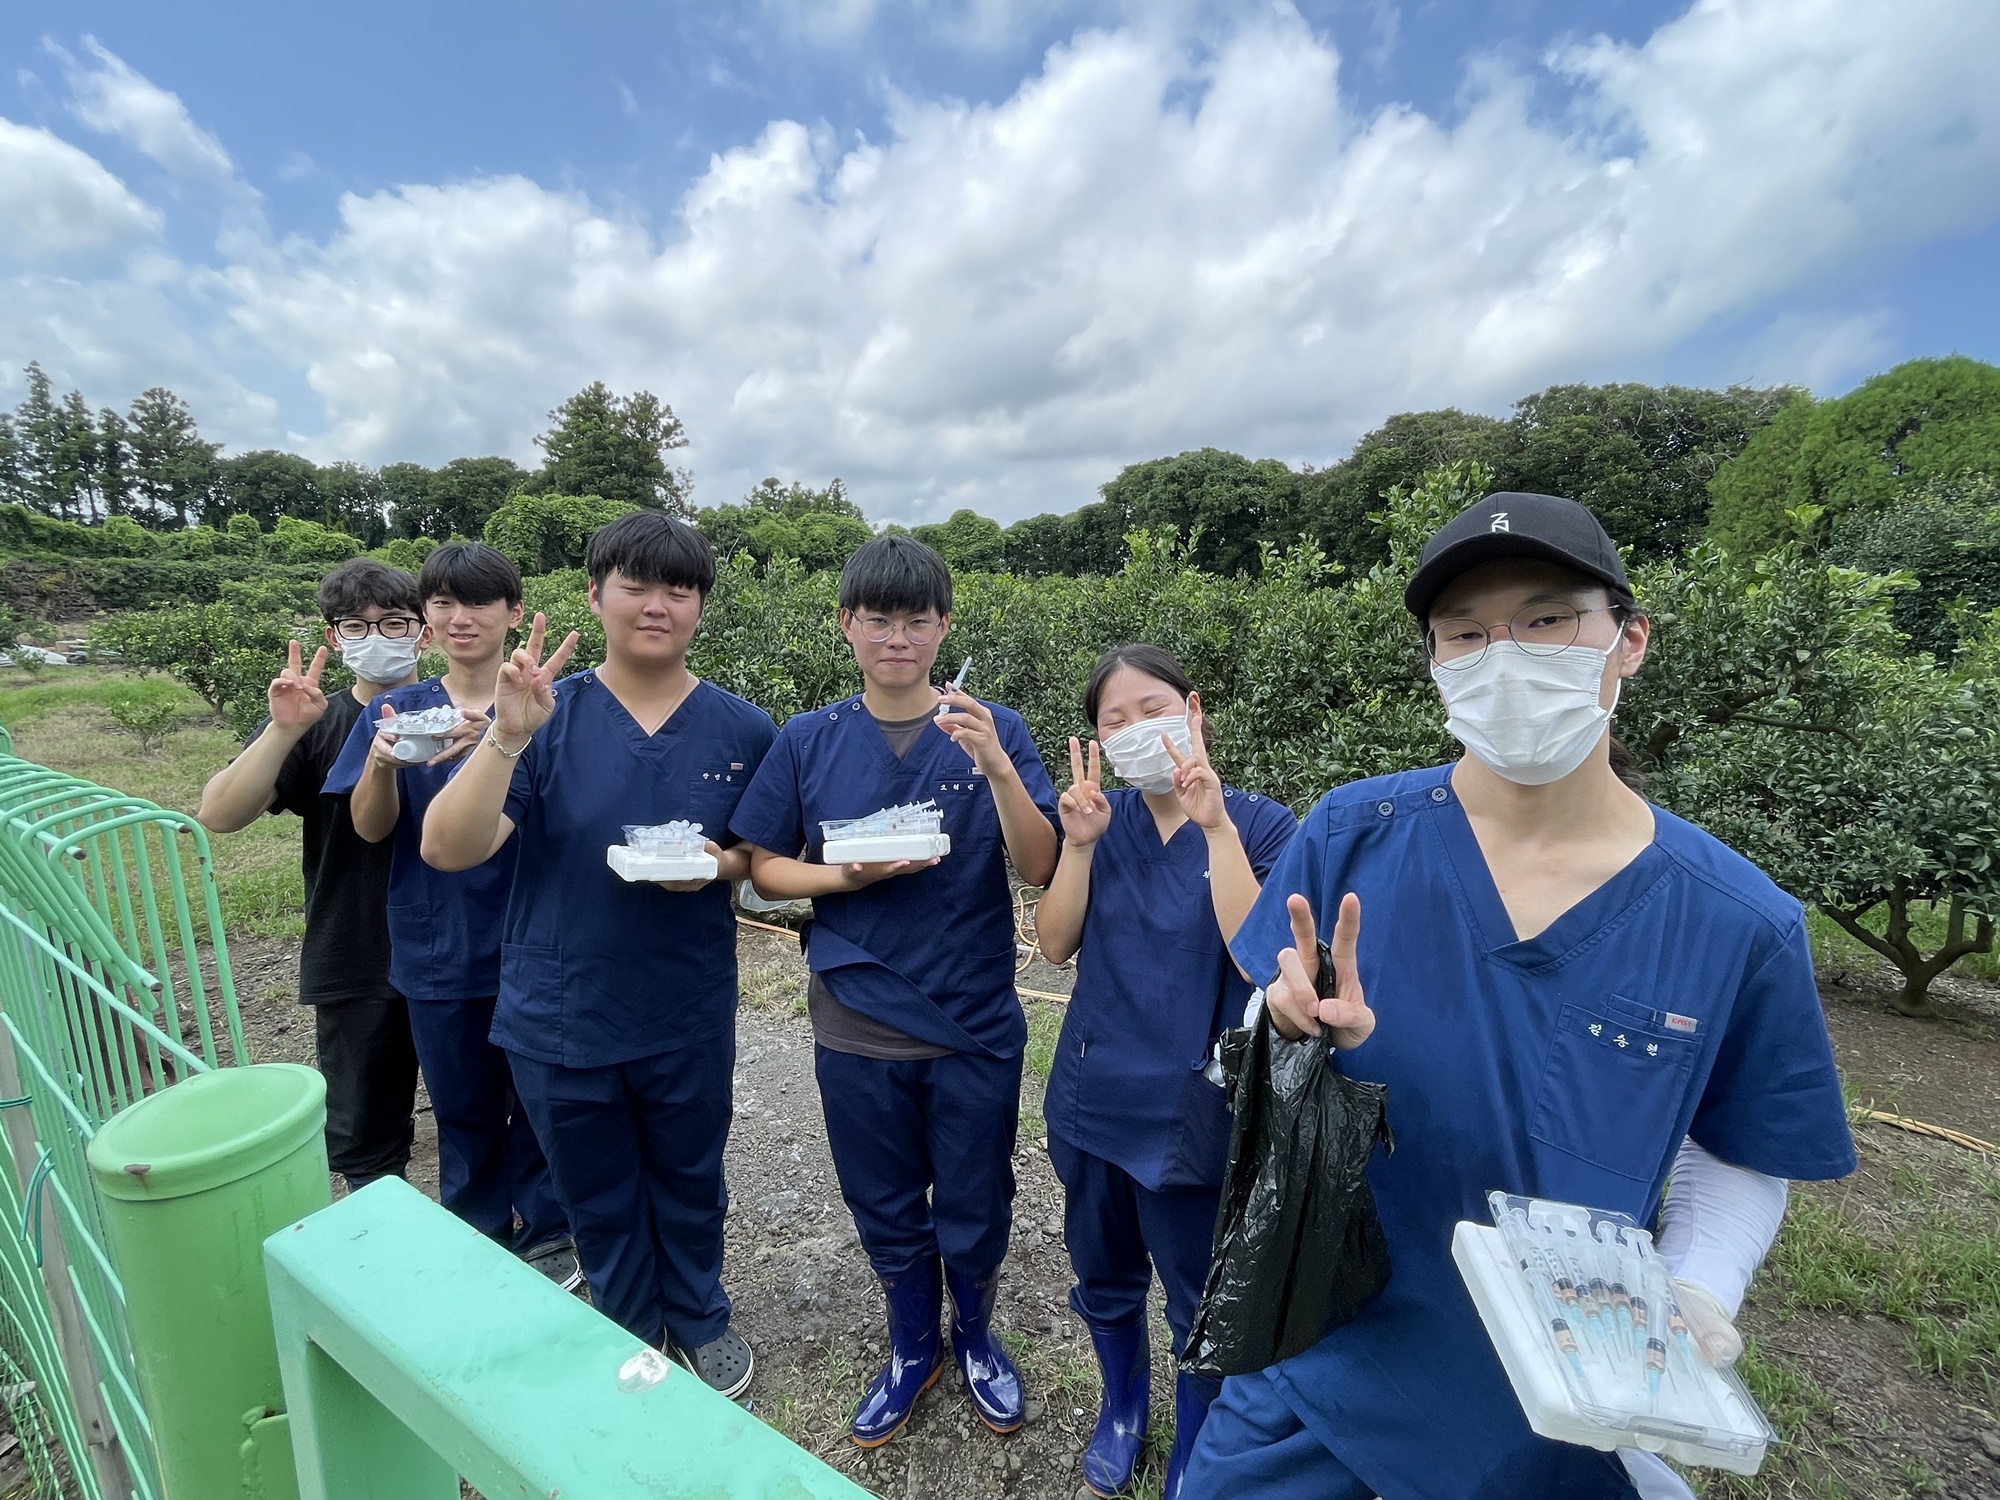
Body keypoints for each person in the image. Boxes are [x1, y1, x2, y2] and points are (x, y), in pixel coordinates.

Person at [1182, 493, 1857, 1500]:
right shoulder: (1350, 834)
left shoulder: (1733, 921)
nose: (1504, 656)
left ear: (1627, 640)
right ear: (1436, 664)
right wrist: (1284, 1026)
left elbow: (1738, 1150)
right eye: (1466, 633)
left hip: (1550, 1413)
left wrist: (1693, 1289)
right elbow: (1258, 1033)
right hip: (1318, 1364)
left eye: (1544, 620)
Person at [420, 513, 775, 1398]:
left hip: (684, 1003)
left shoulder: (742, 729)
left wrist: (718, 867)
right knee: (593, 1184)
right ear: (595, 594)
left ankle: (700, 1312)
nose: (657, 605)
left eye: (678, 589)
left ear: (700, 606)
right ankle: (626, 1317)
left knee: (690, 1173)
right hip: (560, 1007)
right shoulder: (547, 713)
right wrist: (505, 736)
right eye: (635, 585)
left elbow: (760, 860)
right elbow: (448, 848)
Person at [730, 535, 1060, 1447]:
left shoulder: (995, 730)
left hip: (973, 1015)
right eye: (879, 618)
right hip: (856, 1015)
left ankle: (977, 1335)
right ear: (847, 626)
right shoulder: (809, 738)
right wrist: (849, 880)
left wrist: (997, 765)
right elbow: (762, 870)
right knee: (881, 1197)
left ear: (944, 625)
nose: (899, 637)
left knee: (976, 1195)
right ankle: (913, 1343)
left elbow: (1037, 866)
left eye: (918, 619)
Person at [1034, 644, 1297, 1499]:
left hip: (1194, 1107)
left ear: (1193, 708)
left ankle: (1195, 1439)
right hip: (1091, 1091)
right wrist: (1076, 847)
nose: (1137, 730)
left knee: (1197, 1292)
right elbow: (1054, 943)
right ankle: (1122, 1408)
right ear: (1098, 741)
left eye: (1152, 709)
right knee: (1102, 1270)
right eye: (1115, 720)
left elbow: (1258, 959)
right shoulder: (1097, 821)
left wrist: (1215, 827)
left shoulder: (1259, 825)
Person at [324, 542, 578, 1290]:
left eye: (478, 602)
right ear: (428, 623)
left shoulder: (546, 710)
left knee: (539, 1101)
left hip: (532, 939)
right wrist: (379, 762)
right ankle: (476, 1225)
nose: (460, 617)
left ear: (512, 614)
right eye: (443, 603)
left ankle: (550, 1226)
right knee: (462, 1103)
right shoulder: (398, 710)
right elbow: (370, 830)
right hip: (438, 943)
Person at [196, 559, 428, 1191]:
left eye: (394, 624)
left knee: (485, 1108)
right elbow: (218, 813)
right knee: (365, 1140)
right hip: (356, 947)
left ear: (423, 632)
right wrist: (281, 729)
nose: (376, 639)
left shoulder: (455, 715)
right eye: (357, 626)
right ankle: (379, 1240)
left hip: (453, 947)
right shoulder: (315, 720)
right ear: (334, 637)